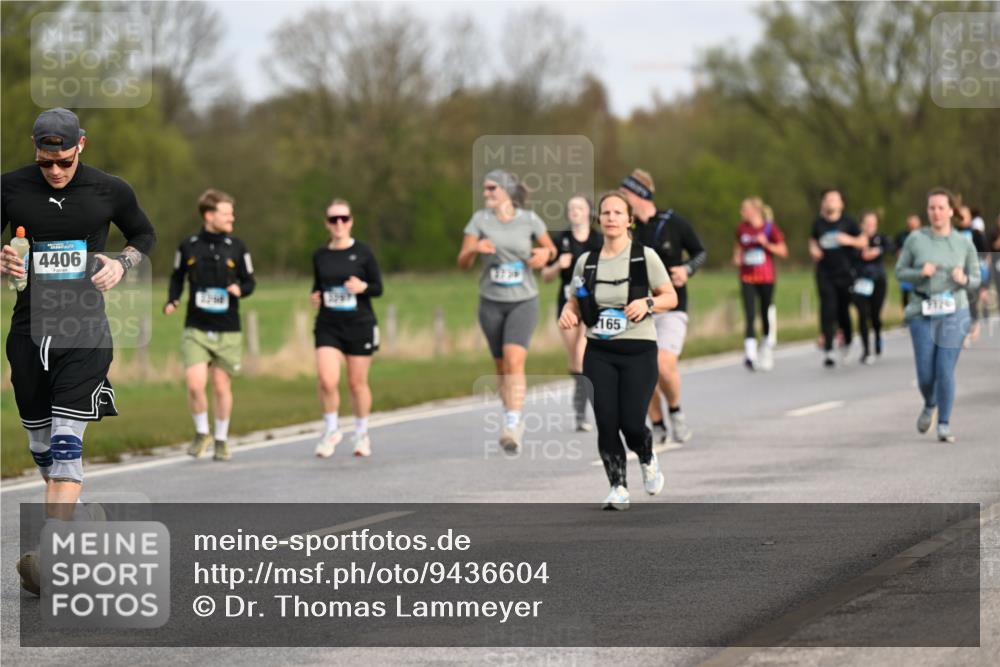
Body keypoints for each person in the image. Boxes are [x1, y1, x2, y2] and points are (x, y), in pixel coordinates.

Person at [1, 108, 156, 593]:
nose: (55, 171)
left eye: (64, 161)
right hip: (28, 334)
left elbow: (143, 235)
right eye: (47, 162)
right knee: (43, 449)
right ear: (35, 150)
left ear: (80, 146)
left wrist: (122, 263)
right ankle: (86, 523)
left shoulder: (111, 189)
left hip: (85, 331)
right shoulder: (10, 188)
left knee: (67, 446)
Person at [559, 191, 678, 510]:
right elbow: (574, 298)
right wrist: (568, 312)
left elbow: (670, 297)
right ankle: (618, 487)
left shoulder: (644, 256)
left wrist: (647, 302)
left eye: (617, 212)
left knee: (632, 423)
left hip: (639, 351)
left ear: (629, 220)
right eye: (606, 213)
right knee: (607, 421)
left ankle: (647, 454)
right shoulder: (588, 261)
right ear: (600, 219)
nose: (611, 217)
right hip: (599, 351)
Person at [458, 170, 556, 453]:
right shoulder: (479, 221)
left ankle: (512, 424)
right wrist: (475, 248)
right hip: (491, 301)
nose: (486, 193)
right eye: (485, 189)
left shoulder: (529, 220)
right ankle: (509, 414)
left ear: (507, 191)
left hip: (523, 300)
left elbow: (549, 249)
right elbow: (462, 262)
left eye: (492, 188)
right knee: (501, 366)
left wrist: (543, 256)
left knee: (514, 361)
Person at [165, 189, 255, 462]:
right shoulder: (188, 245)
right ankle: (202, 432)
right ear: (209, 215)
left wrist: (240, 289)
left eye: (231, 213)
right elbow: (177, 277)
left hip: (228, 328)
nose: (232, 218)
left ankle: (222, 438)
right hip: (197, 327)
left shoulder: (238, 247)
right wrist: (173, 299)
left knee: (220, 386)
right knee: (194, 384)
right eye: (226, 213)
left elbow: (250, 281)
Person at [620, 169, 705, 445]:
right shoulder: (626, 227)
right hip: (637, 309)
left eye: (625, 193)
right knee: (641, 373)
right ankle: (657, 424)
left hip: (672, 306)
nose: (621, 199)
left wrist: (687, 269)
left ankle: (676, 412)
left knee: (663, 364)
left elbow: (700, 251)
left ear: (639, 194)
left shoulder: (673, 222)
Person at [895, 188, 980, 443]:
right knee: (925, 373)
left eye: (941, 208)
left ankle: (944, 423)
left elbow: (976, 279)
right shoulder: (915, 239)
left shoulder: (964, 242)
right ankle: (930, 403)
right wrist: (921, 272)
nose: (936, 212)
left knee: (944, 368)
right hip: (922, 310)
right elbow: (900, 272)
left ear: (951, 211)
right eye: (932, 208)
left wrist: (963, 278)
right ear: (927, 210)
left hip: (955, 310)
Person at [310, 199, 383, 458]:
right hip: (329, 324)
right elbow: (318, 285)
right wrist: (316, 296)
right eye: (333, 220)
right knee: (327, 380)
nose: (339, 224)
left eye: (343, 218)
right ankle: (331, 430)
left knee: (356, 383)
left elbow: (378, 288)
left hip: (359, 323)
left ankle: (361, 432)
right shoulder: (321, 255)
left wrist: (363, 287)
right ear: (327, 224)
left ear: (351, 221)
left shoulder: (363, 253)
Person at [541, 195, 602, 431]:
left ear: (589, 212)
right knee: (575, 360)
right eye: (571, 208)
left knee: (581, 354)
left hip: (592, 305)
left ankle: (583, 412)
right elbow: (545, 276)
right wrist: (558, 265)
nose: (575, 211)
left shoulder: (598, 240)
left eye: (579, 207)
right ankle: (580, 411)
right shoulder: (561, 240)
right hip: (567, 304)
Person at [808, 189, 865, 368]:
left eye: (834, 199)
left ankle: (847, 341)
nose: (830, 202)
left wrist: (849, 240)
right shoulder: (818, 224)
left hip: (845, 273)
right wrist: (813, 249)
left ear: (841, 204)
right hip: (825, 272)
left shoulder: (848, 222)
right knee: (827, 308)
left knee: (843, 310)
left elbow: (863, 241)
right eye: (827, 199)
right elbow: (812, 240)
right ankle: (829, 348)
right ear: (823, 203)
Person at [732, 197, 787, 371]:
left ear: (755, 211)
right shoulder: (742, 229)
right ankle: (750, 354)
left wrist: (767, 244)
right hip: (747, 277)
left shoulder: (770, 228)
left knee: (764, 311)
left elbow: (783, 251)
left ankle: (766, 345)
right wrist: (737, 257)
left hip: (766, 277)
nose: (742, 213)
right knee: (749, 314)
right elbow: (738, 248)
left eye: (744, 209)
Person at [851, 210, 892, 364]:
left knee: (875, 315)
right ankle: (866, 350)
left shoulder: (880, 239)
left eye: (872, 224)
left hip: (878, 281)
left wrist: (877, 251)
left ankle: (878, 337)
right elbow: (849, 255)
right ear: (861, 224)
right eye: (867, 224)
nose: (870, 227)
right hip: (860, 282)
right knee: (862, 314)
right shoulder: (856, 240)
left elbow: (891, 246)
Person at [956, 205, 989, 346]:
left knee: (971, 303)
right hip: (957, 274)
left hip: (973, 274)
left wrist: (984, 283)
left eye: (965, 215)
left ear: (970, 217)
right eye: (960, 215)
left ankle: (973, 327)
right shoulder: (953, 233)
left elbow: (985, 258)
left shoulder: (976, 234)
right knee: (959, 303)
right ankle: (962, 331)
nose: (962, 218)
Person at [895, 214, 923, 311]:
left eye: (915, 223)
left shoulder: (925, 235)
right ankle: (907, 314)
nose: (913, 225)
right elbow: (897, 251)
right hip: (907, 269)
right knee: (906, 293)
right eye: (911, 223)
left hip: (921, 268)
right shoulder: (901, 236)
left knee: (921, 292)